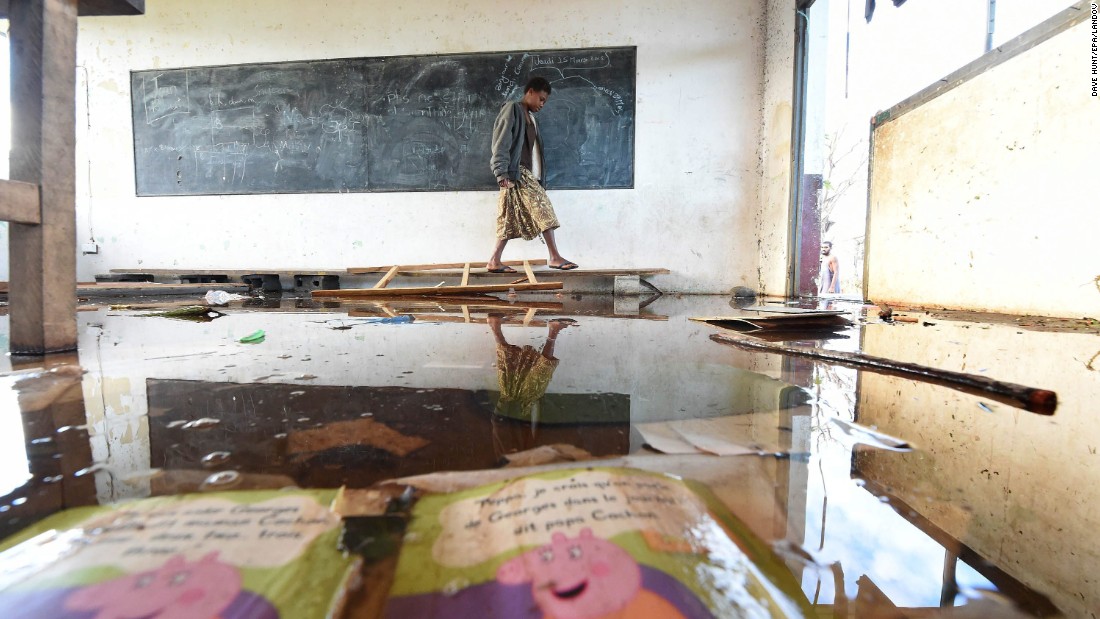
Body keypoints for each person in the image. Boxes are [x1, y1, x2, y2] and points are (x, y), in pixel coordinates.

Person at [485, 77, 578, 273]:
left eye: (545, 101)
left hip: (526, 175)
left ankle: (494, 261)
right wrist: (501, 172)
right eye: (541, 99)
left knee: (507, 219)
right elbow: (500, 141)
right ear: (530, 92)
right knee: (544, 209)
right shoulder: (513, 109)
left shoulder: (531, 117)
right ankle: (554, 257)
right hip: (518, 173)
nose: (542, 104)